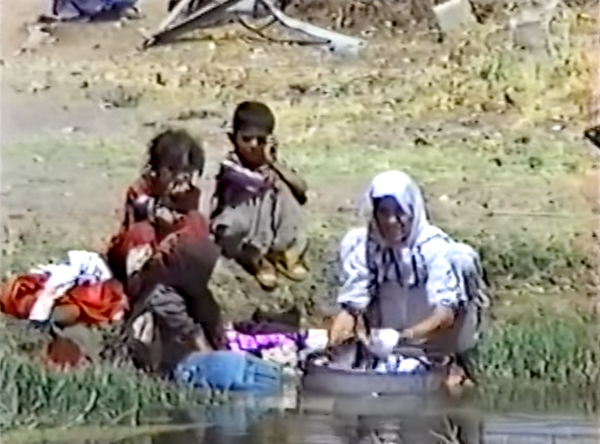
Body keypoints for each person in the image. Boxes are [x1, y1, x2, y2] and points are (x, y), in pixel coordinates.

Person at [327, 171, 489, 388]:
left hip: (430, 342)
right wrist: (332, 351)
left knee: (463, 258)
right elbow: (352, 307)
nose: (390, 221)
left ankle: (454, 364)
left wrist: (401, 338)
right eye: (383, 212)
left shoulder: (435, 249)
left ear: (413, 211)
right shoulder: (365, 246)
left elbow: (445, 316)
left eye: (399, 213)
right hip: (384, 342)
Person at [210, 101, 309, 290]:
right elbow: (245, 188)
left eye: (260, 140)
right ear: (233, 138)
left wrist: (273, 164)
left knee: (283, 187)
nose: (254, 146)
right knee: (258, 191)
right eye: (247, 139)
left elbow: (302, 189)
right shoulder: (229, 166)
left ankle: (282, 253)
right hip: (241, 234)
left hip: (270, 230)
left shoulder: (272, 164)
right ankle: (257, 260)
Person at [106, 128, 209, 287]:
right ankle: (137, 284)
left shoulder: (189, 195)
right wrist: (166, 203)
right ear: (155, 169)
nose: (180, 177)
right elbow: (143, 211)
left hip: (169, 252)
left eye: (186, 172)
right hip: (138, 250)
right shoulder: (142, 188)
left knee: (197, 223)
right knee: (142, 232)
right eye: (172, 170)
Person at [124, 233, 227, 377]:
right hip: (162, 346)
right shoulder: (160, 291)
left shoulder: (178, 275)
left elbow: (207, 309)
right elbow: (189, 331)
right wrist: (214, 360)